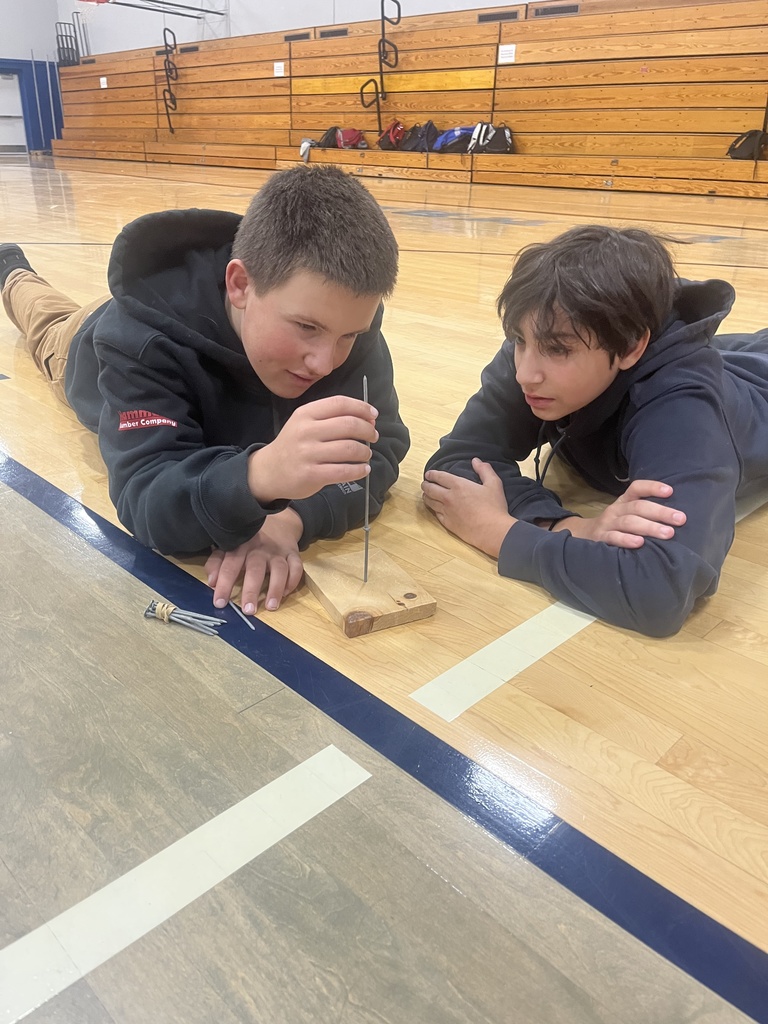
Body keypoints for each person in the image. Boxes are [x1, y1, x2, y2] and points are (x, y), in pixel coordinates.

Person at [0, 165, 409, 616]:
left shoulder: (342, 317)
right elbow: (147, 495)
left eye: (348, 336)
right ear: (240, 284)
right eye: (306, 327)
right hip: (82, 342)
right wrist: (258, 477)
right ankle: (13, 272)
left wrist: (292, 517)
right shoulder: (134, 341)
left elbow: (380, 446)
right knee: (43, 318)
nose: (326, 361)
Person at [422, 224, 768, 637]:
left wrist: (500, 533)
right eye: (517, 339)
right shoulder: (544, 332)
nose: (525, 373)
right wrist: (570, 526)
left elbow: (659, 590)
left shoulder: (684, 406)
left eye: (558, 350)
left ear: (631, 347)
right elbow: (455, 463)